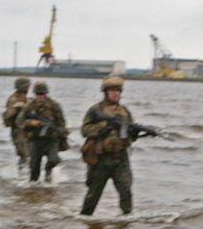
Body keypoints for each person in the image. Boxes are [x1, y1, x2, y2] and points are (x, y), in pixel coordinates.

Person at [79, 76, 135, 216]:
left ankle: (125, 222)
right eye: (112, 90)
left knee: (126, 191)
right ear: (105, 92)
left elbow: (131, 133)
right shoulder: (95, 110)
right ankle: (85, 222)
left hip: (120, 158)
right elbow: (85, 131)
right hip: (101, 159)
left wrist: (134, 132)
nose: (116, 93)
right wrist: (105, 126)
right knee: (93, 195)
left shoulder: (124, 111)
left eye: (118, 91)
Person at [17, 80, 67, 182]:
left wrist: (59, 131)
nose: (40, 96)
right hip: (35, 139)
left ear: (46, 93)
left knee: (54, 160)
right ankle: (33, 190)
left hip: (51, 139)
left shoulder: (54, 105)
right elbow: (19, 121)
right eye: (38, 94)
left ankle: (48, 172)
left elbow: (61, 122)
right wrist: (31, 123)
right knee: (34, 167)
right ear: (35, 94)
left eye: (42, 94)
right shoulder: (29, 106)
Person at [2, 76, 31, 170]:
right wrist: (17, 108)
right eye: (27, 86)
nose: (29, 88)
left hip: (26, 131)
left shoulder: (25, 98)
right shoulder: (13, 99)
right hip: (18, 131)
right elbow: (8, 115)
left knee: (29, 154)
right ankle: (21, 175)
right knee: (24, 155)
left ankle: (24, 174)